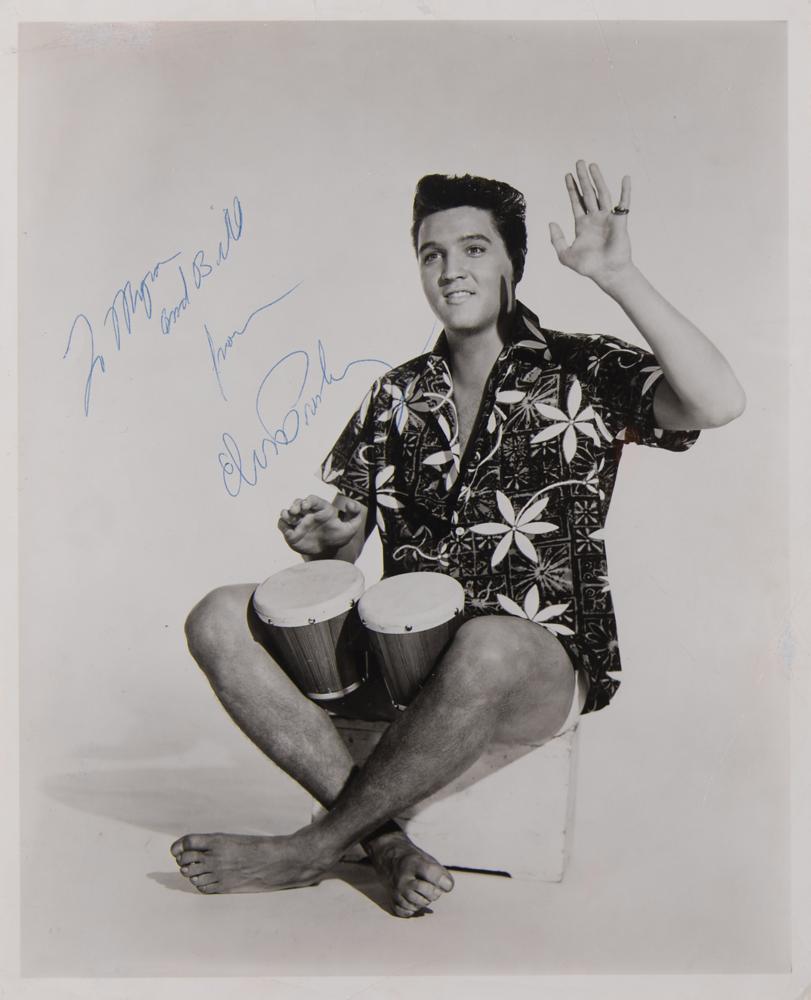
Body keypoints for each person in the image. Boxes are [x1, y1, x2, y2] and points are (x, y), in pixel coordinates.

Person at [171, 162, 746, 916]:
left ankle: (310, 849)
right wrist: (328, 543)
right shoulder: (397, 392)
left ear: (512, 262)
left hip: (530, 661)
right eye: (431, 254)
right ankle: (387, 846)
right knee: (218, 613)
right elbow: (345, 552)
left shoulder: (584, 368)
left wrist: (618, 275)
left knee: (488, 642)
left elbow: (718, 402)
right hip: (404, 658)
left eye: (474, 249)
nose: (450, 270)